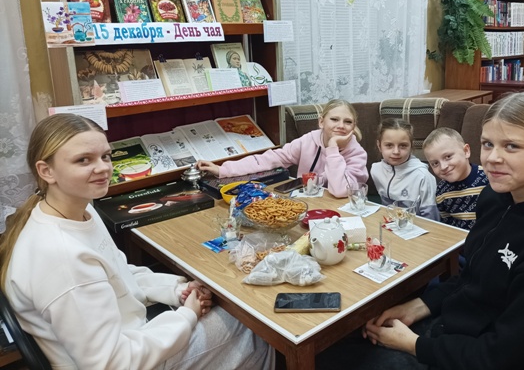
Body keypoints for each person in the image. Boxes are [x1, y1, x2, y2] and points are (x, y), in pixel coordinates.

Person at [316, 91, 524, 370]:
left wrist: (413, 344)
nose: (492, 158)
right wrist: (419, 307)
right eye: (488, 144)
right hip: (448, 329)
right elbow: (471, 278)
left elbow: (500, 357)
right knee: (335, 341)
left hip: (465, 354)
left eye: (511, 146)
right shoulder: (495, 198)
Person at [0, 114, 274, 370]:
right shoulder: (60, 256)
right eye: (83, 160)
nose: (103, 168)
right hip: (129, 359)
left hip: (133, 336)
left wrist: (176, 290)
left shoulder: (79, 210)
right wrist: (187, 315)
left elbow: (118, 272)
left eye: (105, 156)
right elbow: (112, 362)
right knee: (254, 326)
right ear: (46, 171)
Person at [198, 99, 368, 198]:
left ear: (353, 127)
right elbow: (269, 160)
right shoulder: (308, 141)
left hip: (341, 212)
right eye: (334, 119)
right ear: (321, 122)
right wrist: (223, 169)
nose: (341, 126)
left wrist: (332, 148)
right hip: (308, 204)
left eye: (347, 122)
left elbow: (340, 191)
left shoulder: (357, 153)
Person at [370, 119, 438, 221]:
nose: (396, 151)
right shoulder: (375, 170)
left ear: (411, 146)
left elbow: (432, 219)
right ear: (379, 146)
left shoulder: (423, 176)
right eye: (389, 145)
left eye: (403, 146)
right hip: (390, 223)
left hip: (416, 226)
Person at [422, 127, 488, 230]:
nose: (443, 167)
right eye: (435, 163)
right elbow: (447, 225)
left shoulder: (489, 178)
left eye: (448, 157)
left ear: (466, 151)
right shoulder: (441, 191)